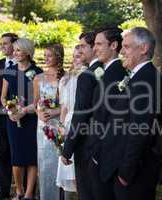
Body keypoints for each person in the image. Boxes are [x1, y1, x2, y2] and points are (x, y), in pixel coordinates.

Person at [98, 27, 162, 200]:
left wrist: (126, 173)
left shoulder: (148, 79)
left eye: (127, 47)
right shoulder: (138, 76)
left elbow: (140, 129)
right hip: (120, 167)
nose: (121, 51)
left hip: (134, 174)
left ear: (143, 48)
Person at [87, 27, 127, 200]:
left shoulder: (116, 73)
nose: (94, 48)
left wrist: (96, 152)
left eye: (99, 44)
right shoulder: (107, 71)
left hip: (106, 155)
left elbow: (113, 119)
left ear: (114, 45)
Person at [61, 31, 102, 200]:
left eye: (83, 46)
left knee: (86, 190)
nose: (80, 50)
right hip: (104, 141)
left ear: (94, 48)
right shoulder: (106, 69)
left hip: (86, 141)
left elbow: (81, 114)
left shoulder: (87, 75)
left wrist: (67, 149)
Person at [1, 38, 43, 200]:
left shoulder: (38, 72)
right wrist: (10, 110)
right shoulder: (9, 71)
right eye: (14, 50)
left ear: (27, 52)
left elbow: (38, 101)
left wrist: (24, 111)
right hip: (13, 121)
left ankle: (28, 194)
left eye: (18, 50)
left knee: (32, 158)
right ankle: (19, 190)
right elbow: (3, 97)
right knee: (17, 158)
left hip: (31, 120)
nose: (15, 53)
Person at [33, 43, 65, 200]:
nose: (45, 58)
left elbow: (69, 105)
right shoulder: (38, 78)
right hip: (43, 126)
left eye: (49, 55)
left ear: (58, 56)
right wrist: (38, 112)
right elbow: (35, 103)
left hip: (60, 123)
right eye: (44, 55)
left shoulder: (66, 77)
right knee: (45, 164)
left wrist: (55, 111)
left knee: (61, 161)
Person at [0, 32, 18, 200]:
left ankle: (22, 190)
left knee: (20, 153)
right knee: (3, 153)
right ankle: (3, 191)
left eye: (5, 43)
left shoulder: (24, 65)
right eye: (1, 43)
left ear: (14, 45)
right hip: (1, 117)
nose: (2, 46)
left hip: (20, 116)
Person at [56, 45, 85, 199]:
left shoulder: (90, 76)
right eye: (74, 56)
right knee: (68, 169)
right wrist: (61, 127)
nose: (76, 58)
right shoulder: (66, 79)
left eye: (80, 55)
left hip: (81, 122)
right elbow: (64, 107)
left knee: (80, 173)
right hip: (68, 123)